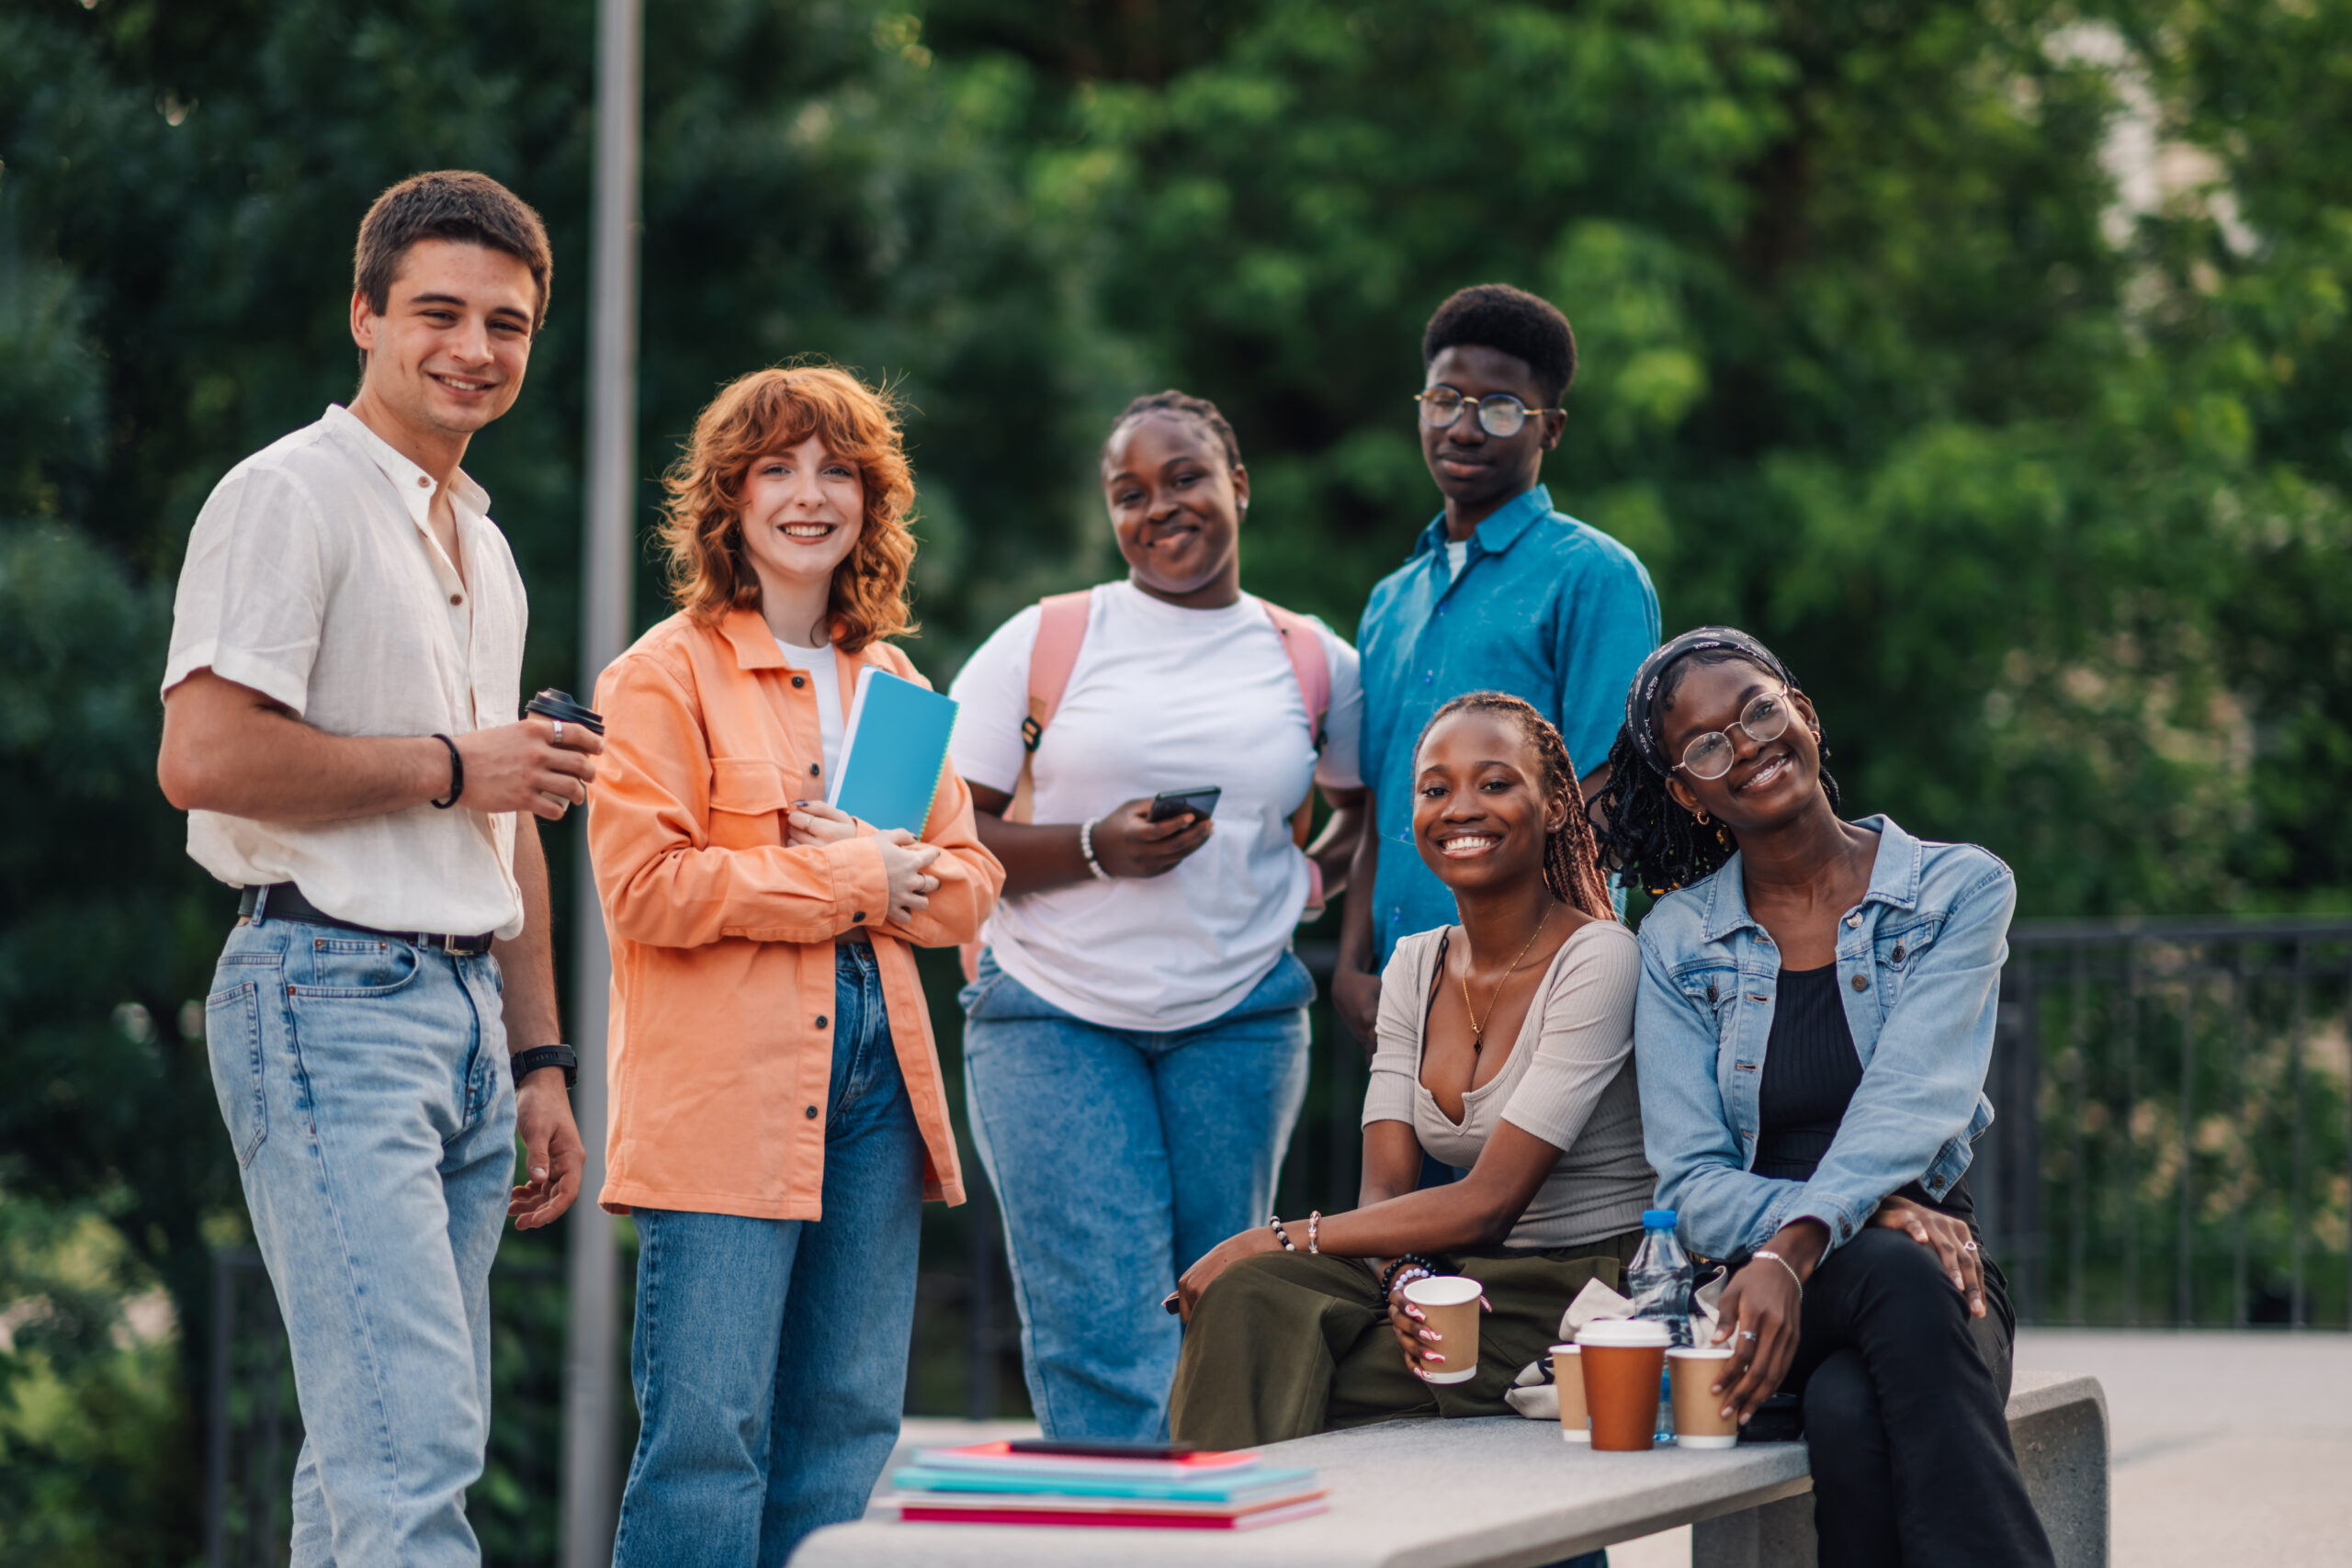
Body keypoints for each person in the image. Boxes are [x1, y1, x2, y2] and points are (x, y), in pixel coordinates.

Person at [156, 171, 594, 1567]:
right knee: (410, 1454)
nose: (476, 347)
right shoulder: (289, 492)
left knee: (363, 1466)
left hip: (469, 1018)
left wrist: (542, 1058)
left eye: (509, 323)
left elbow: (503, 813)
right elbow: (206, 755)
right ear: (365, 314)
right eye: (439, 312)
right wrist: (456, 762)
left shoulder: (491, 545)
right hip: (324, 990)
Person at [586, 365, 1003, 1565]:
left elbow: (972, 882)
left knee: (848, 1427)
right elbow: (648, 889)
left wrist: (894, 866)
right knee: (709, 1436)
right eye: (778, 468)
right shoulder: (662, 673)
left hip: (879, 1084)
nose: (810, 494)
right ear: (729, 500)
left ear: (873, 503)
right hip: (725, 1092)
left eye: (839, 471)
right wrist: (854, 880)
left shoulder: (899, 685)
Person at [947, 389, 1368, 1440]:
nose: (1158, 508)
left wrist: (1299, 886)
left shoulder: (1313, 658)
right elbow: (946, 834)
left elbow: (1365, 816)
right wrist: (1097, 847)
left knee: (1225, 1319)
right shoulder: (1043, 639)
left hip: (1238, 1024)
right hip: (1052, 1015)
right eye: (1128, 493)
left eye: (1183, 477)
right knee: (1106, 1348)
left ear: (1237, 484)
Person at [1598, 626, 2055, 1568]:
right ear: (1689, 791)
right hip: (1770, 1298)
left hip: (1933, 1275)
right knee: (1889, 1266)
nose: (1751, 744)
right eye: (1710, 745)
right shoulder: (1677, 940)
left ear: (1800, 711)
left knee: (1851, 1412)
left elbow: (1912, 1102)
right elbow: (1688, 1182)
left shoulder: (1953, 890)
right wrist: (1862, 1216)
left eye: (1759, 709)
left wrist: (1798, 1243)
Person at [1167, 693, 1650, 1469]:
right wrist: (1402, 1273)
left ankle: (1215, 1526)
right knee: (1251, 1294)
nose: (1462, 807)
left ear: (1557, 803)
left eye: (1495, 783)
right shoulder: (1415, 965)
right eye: (1436, 788)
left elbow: (1489, 1202)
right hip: (1467, 1275)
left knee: (1288, 1348)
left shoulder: (1600, 958)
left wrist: (1275, 1234)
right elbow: (1383, 1194)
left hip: (1584, 1284)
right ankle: (1199, 1528)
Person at [1335, 284, 1658, 1121]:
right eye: (1444, 398)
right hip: (1401, 999)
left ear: (1550, 427)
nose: (1465, 425)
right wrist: (1352, 967)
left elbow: (1603, 800)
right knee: (1410, 1246)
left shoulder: (1595, 576)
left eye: (1502, 407)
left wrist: (1531, 989)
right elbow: (1383, 801)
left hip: (1531, 997)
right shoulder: (1389, 599)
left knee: (1519, 1245)